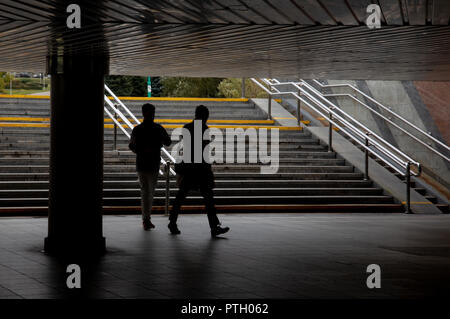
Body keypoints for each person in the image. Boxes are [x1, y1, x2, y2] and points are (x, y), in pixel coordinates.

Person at [168, 105, 230, 237]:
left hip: (188, 168)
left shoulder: (186, 127)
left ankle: (172, 221)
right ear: (205, 116)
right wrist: (209, 170)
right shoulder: (204, 129)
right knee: (208, 198)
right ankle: (214, 227)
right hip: (201, 169)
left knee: (181, 195)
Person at [129, 103, 171, 230]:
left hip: (141, 163)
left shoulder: (137, 129)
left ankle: (146, 219)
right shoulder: (158, 128)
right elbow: (168, 142)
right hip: (153, 163)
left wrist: (141, 150)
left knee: (145, 191)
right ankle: (146, 219)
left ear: (143, 113)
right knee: (150, 192)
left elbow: (131, 146)